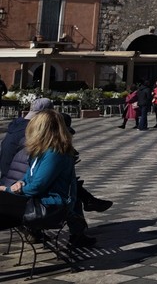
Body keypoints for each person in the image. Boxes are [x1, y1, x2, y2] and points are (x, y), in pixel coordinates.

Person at [0, 106, 105, 247]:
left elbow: (37, 186)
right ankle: (79, 231)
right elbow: (29, 176)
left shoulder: (54, 154)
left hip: (49, 206)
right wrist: (20, 183)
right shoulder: (41, 150)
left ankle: (77, 232)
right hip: (36, 199)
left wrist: (8, 190)